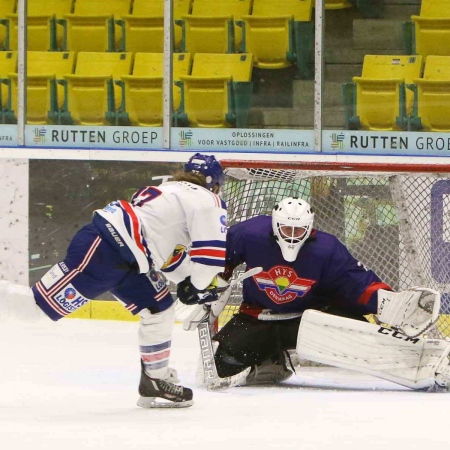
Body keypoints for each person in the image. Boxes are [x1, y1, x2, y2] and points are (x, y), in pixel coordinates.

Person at [0, 153, 228, 408]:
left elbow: (164, 251)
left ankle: (155, 380)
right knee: (35, 309)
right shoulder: (208, 200)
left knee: (159, 309)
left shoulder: (168, 190)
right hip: (104, 252)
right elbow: (208, 259)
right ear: (215, 183)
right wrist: (197, 286)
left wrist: (189, 282)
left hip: (129, 260)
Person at [210, 197, 450, 391]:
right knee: (221, 366)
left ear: (310, 228)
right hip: (258, 318)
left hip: (311, 319)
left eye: (299, 229)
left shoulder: (326, 248)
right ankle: (271, 362)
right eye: (286, 228)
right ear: (274, 225)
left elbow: (354, 282)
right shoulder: (249, 233)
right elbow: (218, 259)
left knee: (367, 339)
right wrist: (211, 284)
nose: (292, 235)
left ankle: (431, 364)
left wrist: (386, 303)